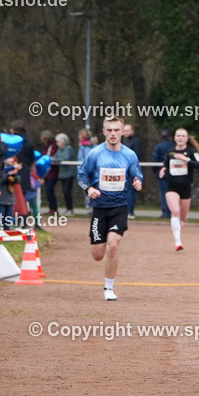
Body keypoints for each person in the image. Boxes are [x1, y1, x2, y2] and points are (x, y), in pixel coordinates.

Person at [77, 116, 143, 301]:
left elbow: (136, 176)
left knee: (113, 246)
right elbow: (82, 176)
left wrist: (138, 183)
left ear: (122, 132)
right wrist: (89, 189)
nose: (113, 133)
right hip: (99, 208)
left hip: (120, 207)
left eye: (117, 130)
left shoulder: (129, 155)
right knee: (98, 255)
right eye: (110, 130)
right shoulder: (94, 154)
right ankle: (102, 259)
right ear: (104, 132)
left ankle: (109, 288)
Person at [159, 128, 199, 250]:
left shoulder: (191, 152)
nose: (180, 138)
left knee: (182, 218)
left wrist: (187, 160)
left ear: (186, 138)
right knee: (175, 212)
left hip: (185, 187)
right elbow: (165, 163)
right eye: (178, 135)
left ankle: (179, 225)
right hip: (171, 186)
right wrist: (163, 169)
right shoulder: (170, 151)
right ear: (174, 138)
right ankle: (178, 242)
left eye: (183, 136)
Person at [152, 129, 175, 218]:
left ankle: (166, 212)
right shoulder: (174, 146)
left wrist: (156, 172)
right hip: (173, 173)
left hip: (162, 174)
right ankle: (172, 212)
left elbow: (155, 160)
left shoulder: (158, 147)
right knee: (172, 193)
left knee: (163, 193)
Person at [54, 133, 78, 215]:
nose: (57, 144)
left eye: (58, 142)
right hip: (62, 174)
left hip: (69, 174)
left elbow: (66, 158)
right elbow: (55, 157)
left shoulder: (69, 149)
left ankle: (70, 209)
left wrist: (57, 159)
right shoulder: (58, 150)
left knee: (67, 191)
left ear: (63, 142)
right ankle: (68, 208)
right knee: (64, 191)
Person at [40, 130, 59, 215]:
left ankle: (54, 208)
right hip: (46, 172)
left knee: (50, 189)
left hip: (52, 172)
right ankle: (51, 208)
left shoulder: (54, 146)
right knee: (48, 191)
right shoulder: (46, 146)